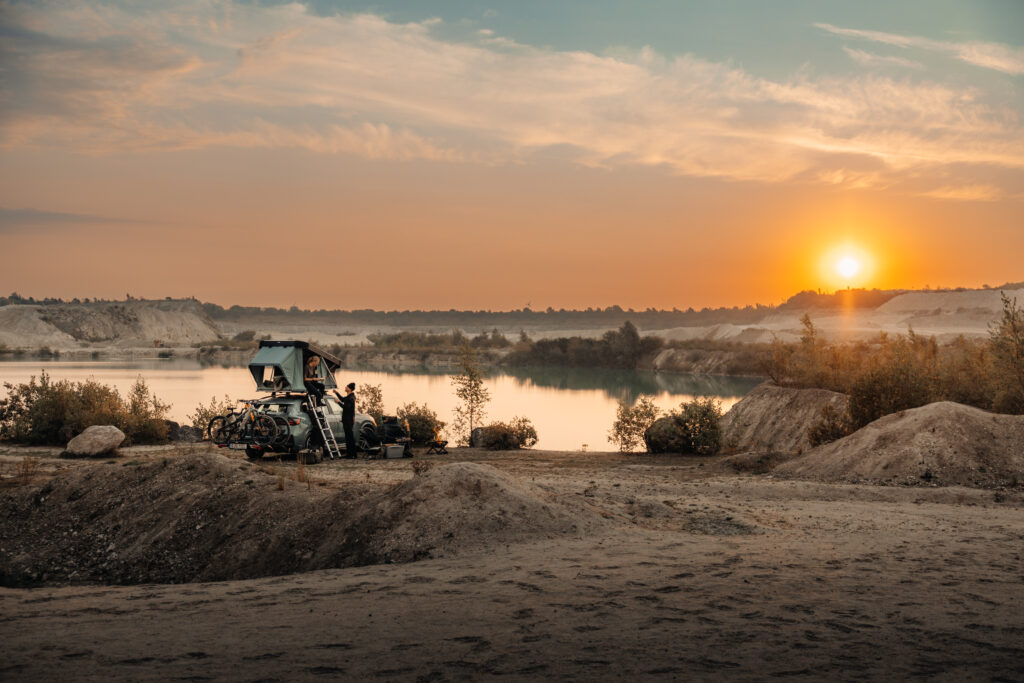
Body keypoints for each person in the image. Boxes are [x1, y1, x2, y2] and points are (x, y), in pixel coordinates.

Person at [340, 382, 357, 458]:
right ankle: (352, 454)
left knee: (349, 437)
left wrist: (338, 403)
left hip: (348, 420)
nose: (345, 387)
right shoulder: (350, 396)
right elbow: (342, 399)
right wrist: (336, 393)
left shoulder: (350, 398)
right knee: (349, 437)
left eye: (346, 387)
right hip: (347, 419)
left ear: (349, 389)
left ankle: (351, 454)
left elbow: (346, 408)